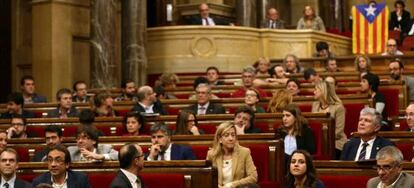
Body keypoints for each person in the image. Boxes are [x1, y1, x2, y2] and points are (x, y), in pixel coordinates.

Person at [206, 121, 258, 188]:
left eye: (233, 135)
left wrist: (231, 185)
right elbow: (207, 178)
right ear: (220, 139)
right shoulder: (212, 154)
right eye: (226, 135)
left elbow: (253, 177)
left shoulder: (244, 152)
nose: (231, 138)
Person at [312, 81, 347, 159]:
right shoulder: (315, 105)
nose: (314, 92)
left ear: (323, 91)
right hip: (318, 142)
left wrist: (324, 140)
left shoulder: (338, 107)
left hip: (335, 142)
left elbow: (339, 131)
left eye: (316, 89)